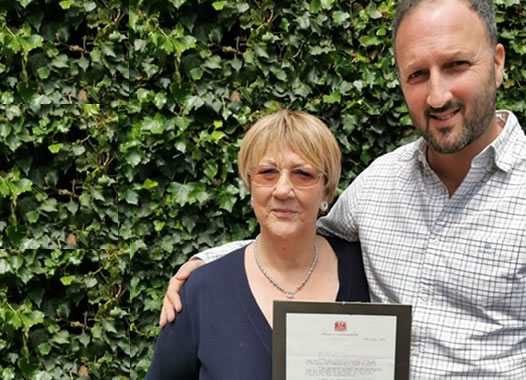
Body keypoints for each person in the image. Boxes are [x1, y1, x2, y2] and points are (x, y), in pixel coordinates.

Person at [159, 0, 526, 378]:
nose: (438, 94)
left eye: (457, 65)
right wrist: (208, 264)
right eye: (417, 74)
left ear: (498, 63)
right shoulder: (381, 183)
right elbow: (304, 227)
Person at [146, 110, 369, 379]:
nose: (283, 190)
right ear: (250, 184)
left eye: (303, 174)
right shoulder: (202, 292)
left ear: (327, 189)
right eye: (267, 172)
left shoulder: (367, 273)